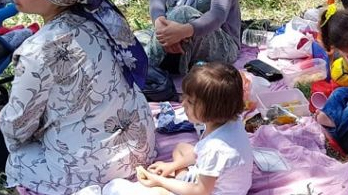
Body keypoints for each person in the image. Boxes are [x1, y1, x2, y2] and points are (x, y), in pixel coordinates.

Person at [0, 0, 156, 195]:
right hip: (139, 145)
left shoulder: (38, 51)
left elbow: (17, 129)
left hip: (94, 171)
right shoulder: (101, 14)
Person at [103, 62, 253, 195]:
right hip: (222, 181)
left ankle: (173, 183)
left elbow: (200, 191)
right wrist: (171, 166)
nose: (183, 104)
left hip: (208, 190)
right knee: (181, 148)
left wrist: (159, 182)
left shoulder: (215, 148)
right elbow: (198, 154)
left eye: (191, 102)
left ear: (215, 108)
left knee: (124, 189)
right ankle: (180, 175)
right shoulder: (231, 121)